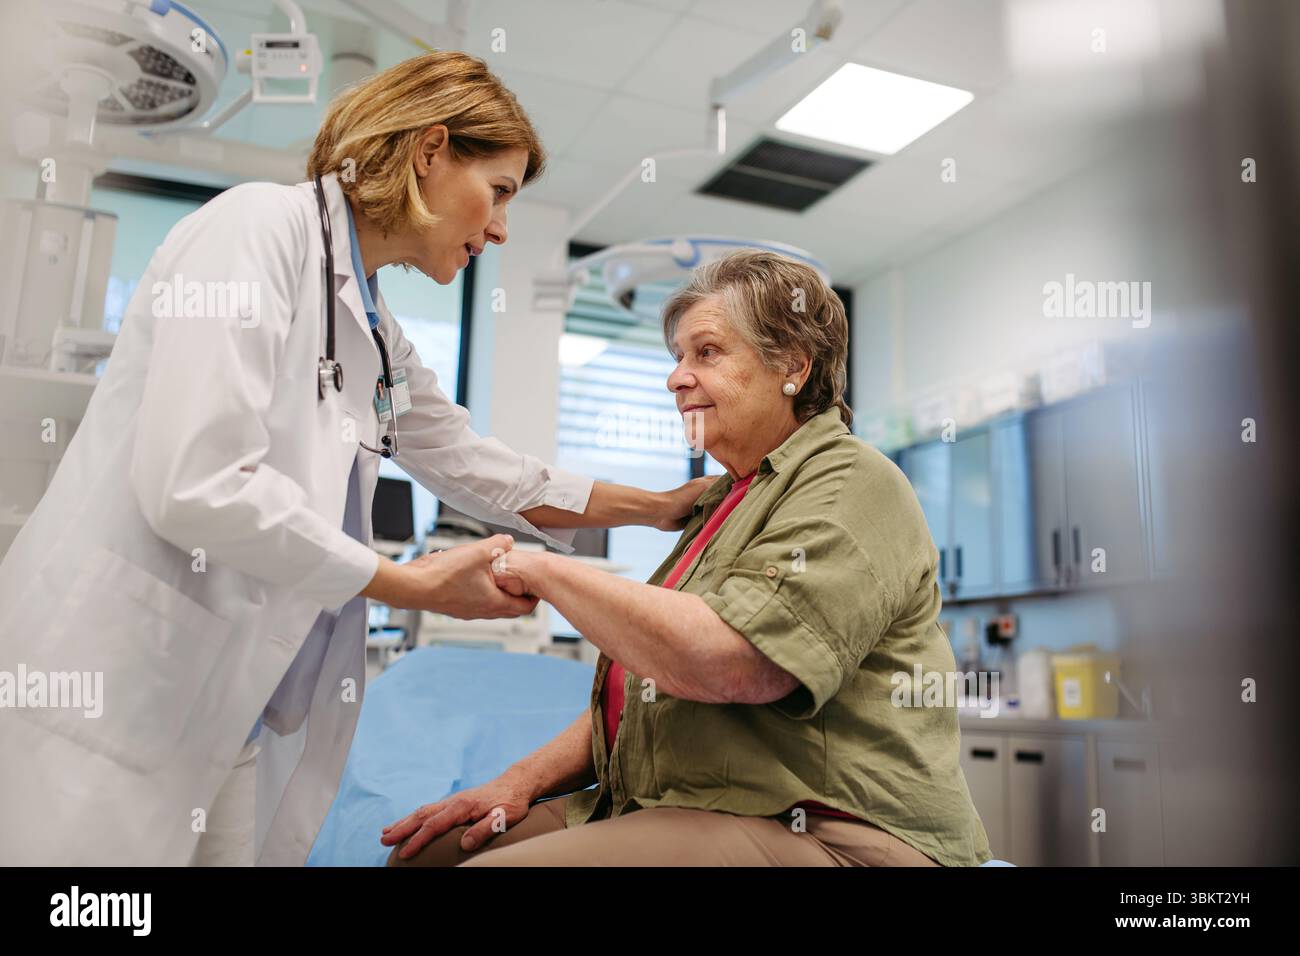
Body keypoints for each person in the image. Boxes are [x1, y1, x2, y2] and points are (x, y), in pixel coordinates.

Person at [0, 51, 707, 866]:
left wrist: (658, 507)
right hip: (113, 684)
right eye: (500, 191)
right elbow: (193, 484)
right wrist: (406, 583)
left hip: (234, 712)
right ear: (429, 151)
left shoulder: (373, 332)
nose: (503, 227)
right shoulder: (256, 230)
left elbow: (483, 468)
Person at [382, 250, 993, 867]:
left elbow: (736, 664)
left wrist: (536, 568)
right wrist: (518, 782)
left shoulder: (851, 481)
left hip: (827, 827)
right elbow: (644, 691)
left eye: (706, 352)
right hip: (680, 798)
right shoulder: (727, 499)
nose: (676, 377)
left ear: (793, 366)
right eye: (677, 356)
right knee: (421, 858)